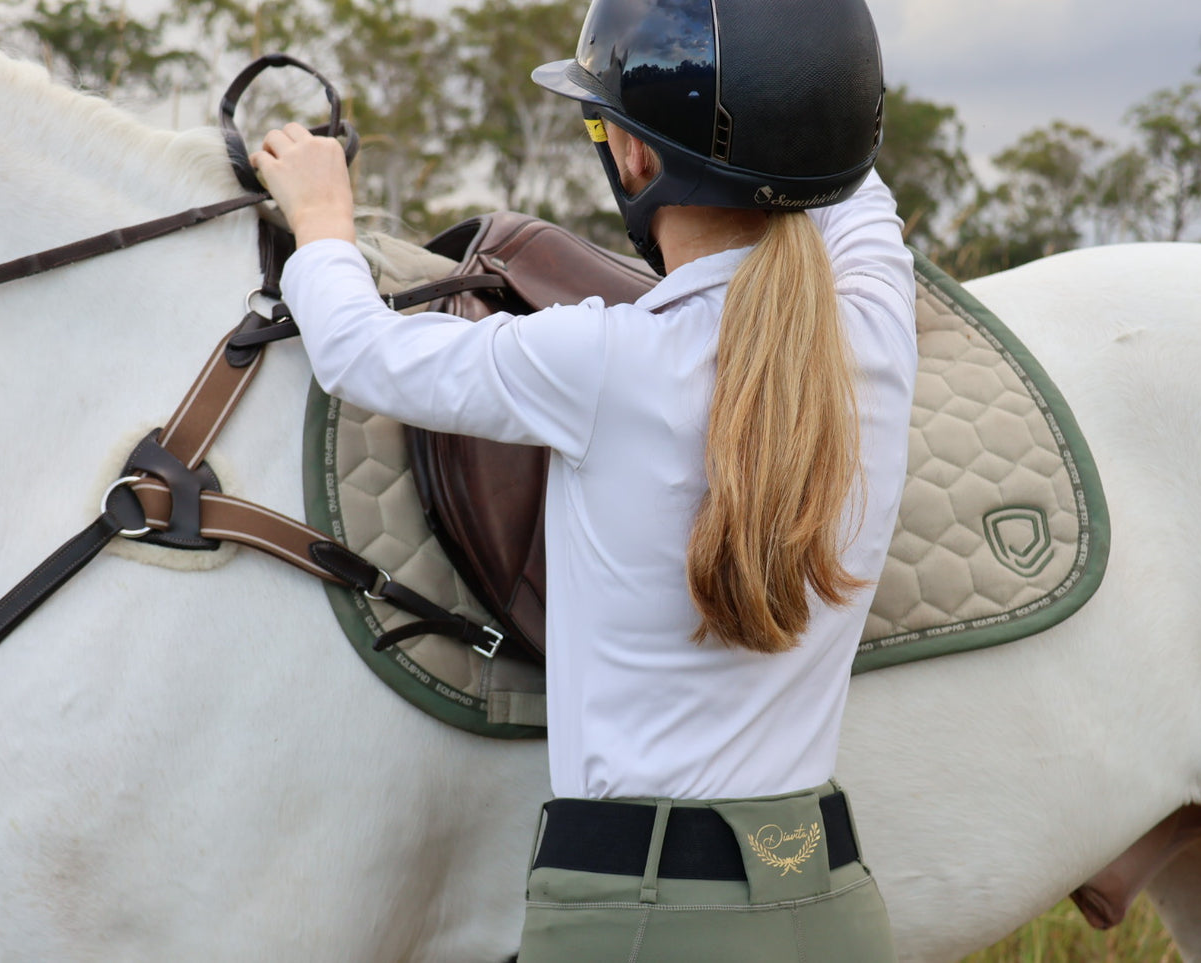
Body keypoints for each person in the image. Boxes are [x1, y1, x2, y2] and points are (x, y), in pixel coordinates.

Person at [251, 0, 915, 957]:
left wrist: (320, 216)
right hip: (830, 906)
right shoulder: (876, 343)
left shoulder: (599, 361)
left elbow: (358, 352)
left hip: (634, 914)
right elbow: (857, 198)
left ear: (635, 160)